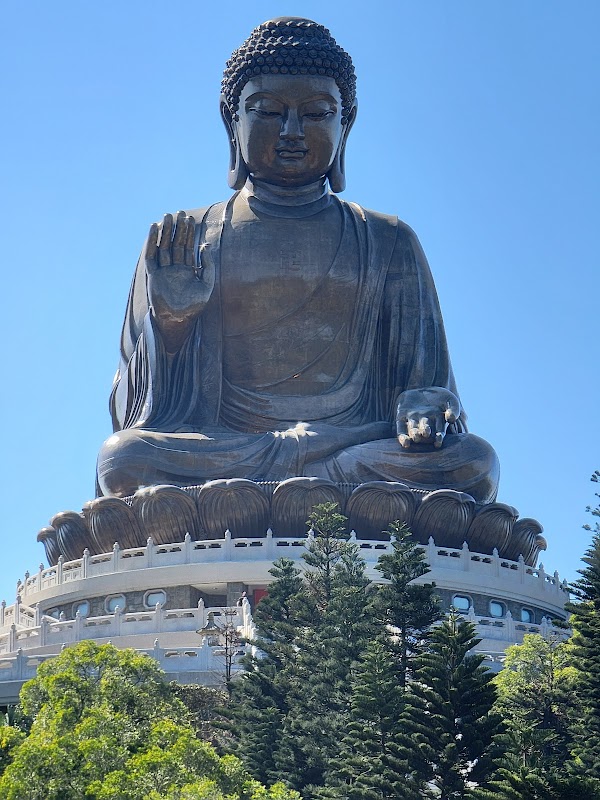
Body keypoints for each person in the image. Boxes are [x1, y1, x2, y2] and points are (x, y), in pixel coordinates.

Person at [97, 17, 499, 503]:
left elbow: (428, 388)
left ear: (344, 126)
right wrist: (171, 325)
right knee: (123, 459)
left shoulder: (389, 240)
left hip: (353, 450)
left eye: (316, 113)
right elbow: (130, 411)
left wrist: (426, 406)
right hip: (230, 453)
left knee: (473, 463)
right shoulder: (185, 238)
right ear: (233, 123)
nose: (291, 131)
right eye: (266, 111)